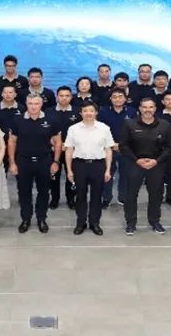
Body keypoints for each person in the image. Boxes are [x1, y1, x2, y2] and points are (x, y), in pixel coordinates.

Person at [120, 98, 171, 235]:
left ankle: (155, 221)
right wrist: (136, 160)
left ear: (155, 108)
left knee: (156, 195)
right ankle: (131, 223)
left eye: (151, 107)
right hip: (135, 163)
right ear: (140, 108)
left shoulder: (165, 125)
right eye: (144, 107)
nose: (147, 110)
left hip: (156, 164)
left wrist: (156, 161)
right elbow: (123, 145)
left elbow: (170, 147)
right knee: (131, 195)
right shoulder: (129, 124)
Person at [9, 94, 62, 233]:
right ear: (26, 104)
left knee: (44, 191)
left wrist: (56, 161)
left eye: (36, 103)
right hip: (23, 161)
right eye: (30, 103)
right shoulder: (17, 120)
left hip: (44, 161)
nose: (33, 106)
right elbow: (12, 141)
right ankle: (25, 219)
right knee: (24, 192)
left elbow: (58, 142)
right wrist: (12, 162)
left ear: (41, 104)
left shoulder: (51, 120)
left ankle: (41, 218)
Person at [64, 101, 114, 236]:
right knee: (80, 195)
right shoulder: (73, 129)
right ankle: (81, 222)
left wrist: (108, 169)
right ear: (81, 113)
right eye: (85, 111)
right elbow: (69, 150)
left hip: (98, 165)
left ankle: (94, 223)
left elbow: (108, 150)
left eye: (91, 110)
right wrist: (69, 170)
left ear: (96, 112)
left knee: (97, 195)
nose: (88, 113)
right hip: (79, 165)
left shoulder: (104, 128)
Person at [98, 88, 137, 208]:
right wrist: (111, 144)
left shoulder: (131, 111)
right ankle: (106, 198)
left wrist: (121, 144)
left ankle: (123, 197)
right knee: (107, 173)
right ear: (110, 99)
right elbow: (100, 130)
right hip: (107, 148)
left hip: (126, 148)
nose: (117, 99)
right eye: (114, 97)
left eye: (120, 96)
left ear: (125, 99)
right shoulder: (103, 112)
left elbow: (135, 130)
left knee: (125, 174)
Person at [50, 87, 81, 209]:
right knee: (53, 175)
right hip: (53, 150)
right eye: (61, 95)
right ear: (57, 97)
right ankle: (54, 199)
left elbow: (81, 131)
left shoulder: (78, 111)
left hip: (72, 150)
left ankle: (71, 199)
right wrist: (54, 144)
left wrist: (68, 145)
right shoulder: (49, 111)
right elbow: (46, 130)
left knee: (71, 175)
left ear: (71, 97)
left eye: (67, 95)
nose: (64, 98)